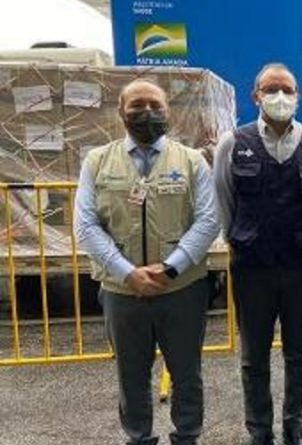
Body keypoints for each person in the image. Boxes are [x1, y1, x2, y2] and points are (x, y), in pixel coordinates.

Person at [75, 79, 219, 445]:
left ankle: (187, 436)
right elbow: (86, 225)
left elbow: (208, 220)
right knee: (131, 376)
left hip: (181, 288)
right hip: (122, 292)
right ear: (121, 112)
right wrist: (128, 273)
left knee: (187, 374)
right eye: (137, 105)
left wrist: (170, 268)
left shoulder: (191, 161)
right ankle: (139, 437)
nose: (147, 112)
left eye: (155, 105)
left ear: (168, 110)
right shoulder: (97, 161)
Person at [213, 63, 302, 445]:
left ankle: (294, 425)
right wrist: (242, 240)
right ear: (256, 96)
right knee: (254, 356)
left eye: (287, 89)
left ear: (298, 96)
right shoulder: (233, 143)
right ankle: (260, 429)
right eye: (271, 89)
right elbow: (224, 203)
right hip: (253, 268)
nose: (279, 96)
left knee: (299, 353)